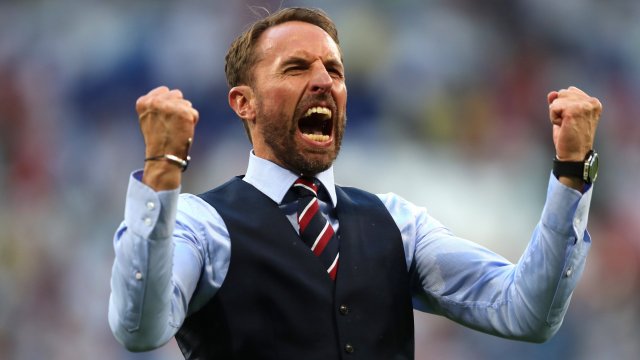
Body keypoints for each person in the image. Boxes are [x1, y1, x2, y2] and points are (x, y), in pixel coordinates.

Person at [108, 7, 602, 360]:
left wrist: (571, 172)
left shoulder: (397, 222)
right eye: (297, 68)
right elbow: (140, 328)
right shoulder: (202, 222)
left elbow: (526, 313)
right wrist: (162, 171)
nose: (323, 81)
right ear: (244, 102)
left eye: (334, 70)